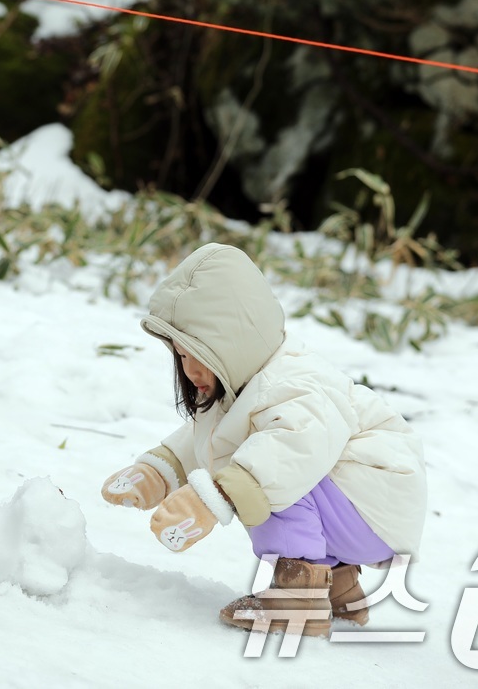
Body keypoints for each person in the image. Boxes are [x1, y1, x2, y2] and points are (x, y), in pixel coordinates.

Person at [100, 242, 426, 637]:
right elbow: (209, 438)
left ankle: (296, 603)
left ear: (234, 342)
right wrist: (158, 470)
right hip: (360, 507)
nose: (189, 371)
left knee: (268, 478)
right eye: (180, 356)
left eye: (198, 354)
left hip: (376, 498)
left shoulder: (295, 382)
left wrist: (212, 497)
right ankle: (342, 595)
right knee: (258, 468)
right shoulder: (247, 384)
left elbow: (291, 450)